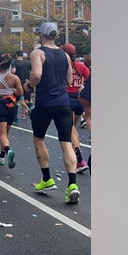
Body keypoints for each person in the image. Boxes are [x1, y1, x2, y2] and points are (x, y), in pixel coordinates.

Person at [28, 22, 81, 204]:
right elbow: (68, 79)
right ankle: (73, 184)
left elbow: (36, 75)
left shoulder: (38, 53)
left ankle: (47, 179)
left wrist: (29, 84)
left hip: (44, 104)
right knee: (66, 143)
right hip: (63, 103)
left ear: (41, 35)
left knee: (39, 139)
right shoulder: (64, 55)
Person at [0, 53, 24, 169]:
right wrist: (12, 90)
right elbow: (20, 93)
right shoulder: (14, 78)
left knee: (1, 133)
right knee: (6, 133)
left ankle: (8, 150)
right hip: (11, 105)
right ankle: (2, 156)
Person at [62, 43, 90, 172]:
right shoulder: (81, 66)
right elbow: (90, 78)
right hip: (79, 100)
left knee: (71, 129)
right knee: (71, 128)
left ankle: (79, 160)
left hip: (67, 98)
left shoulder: (62, 66)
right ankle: (74, 154)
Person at [11, 50, 33, 118]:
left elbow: (13, 71)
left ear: (16, 55)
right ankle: (25, 112)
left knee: (15, 99)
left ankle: (15, 116)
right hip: (26, 82)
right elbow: (32, 71)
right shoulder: (28, 63)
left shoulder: (14, 62)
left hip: (18, 82)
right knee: (26, 98)